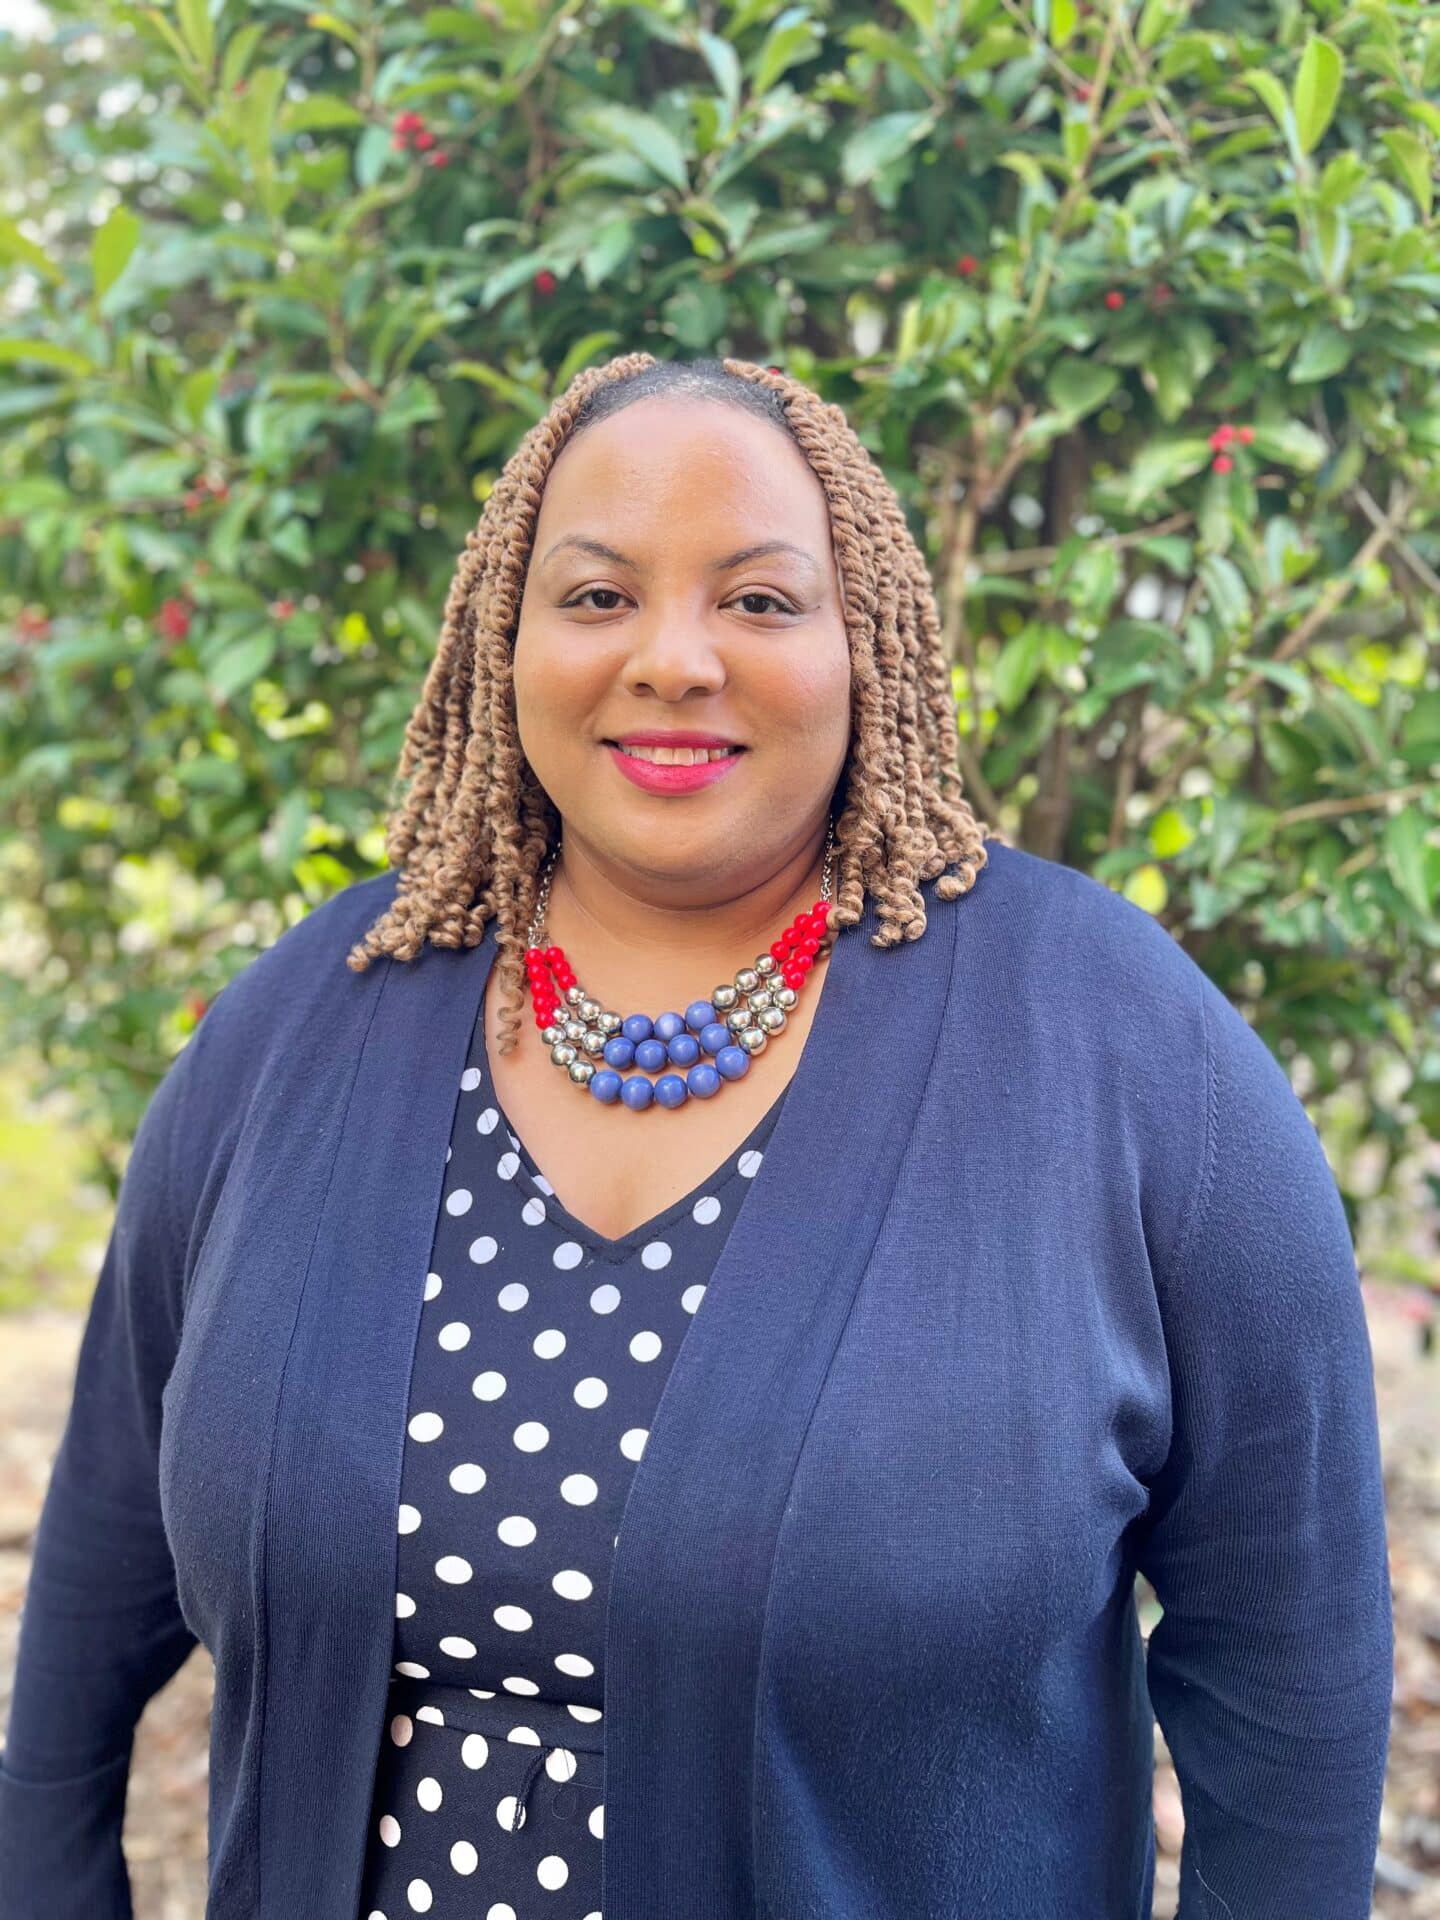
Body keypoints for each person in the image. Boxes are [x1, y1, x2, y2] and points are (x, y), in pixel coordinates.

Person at [0, 353, 1392, 1920]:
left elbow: (1294, 1671)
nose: (673, 660)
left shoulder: (1126, 1054)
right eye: (597, 597)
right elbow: (98, 1580)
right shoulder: (305, 1030)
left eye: (760, 600)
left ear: (865, 640)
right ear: (501, 640)